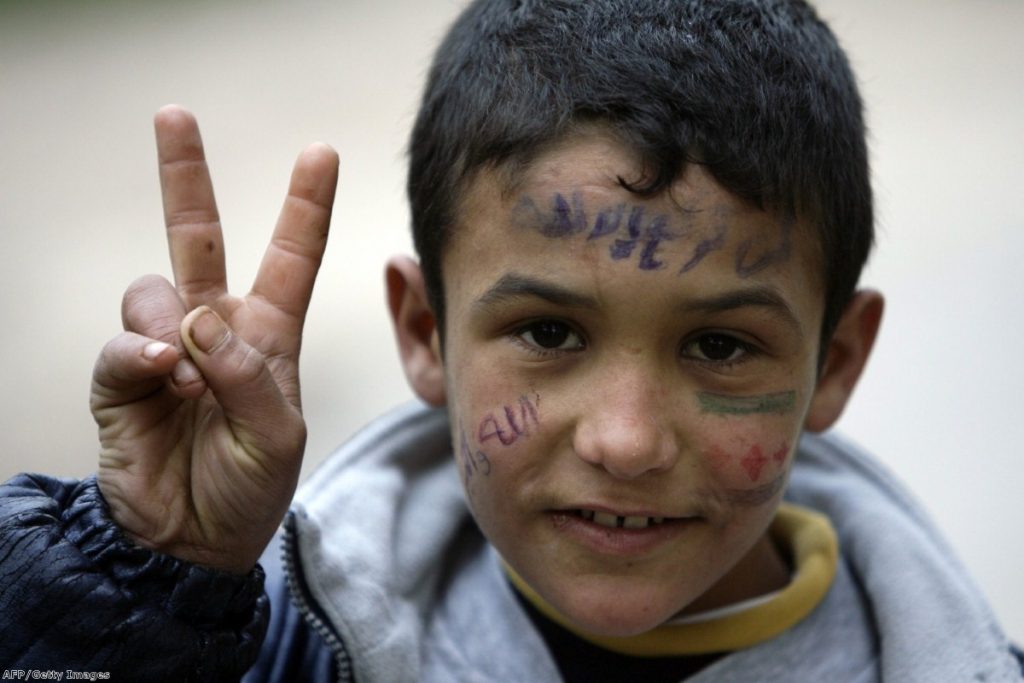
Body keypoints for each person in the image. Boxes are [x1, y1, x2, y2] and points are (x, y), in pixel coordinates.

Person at [1, 0, 1021, 681]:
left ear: (832, 362)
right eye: (547, 330)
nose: (624, 441)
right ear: (424, 332)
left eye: (717, 346)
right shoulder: (274, 646)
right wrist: (147, 578)